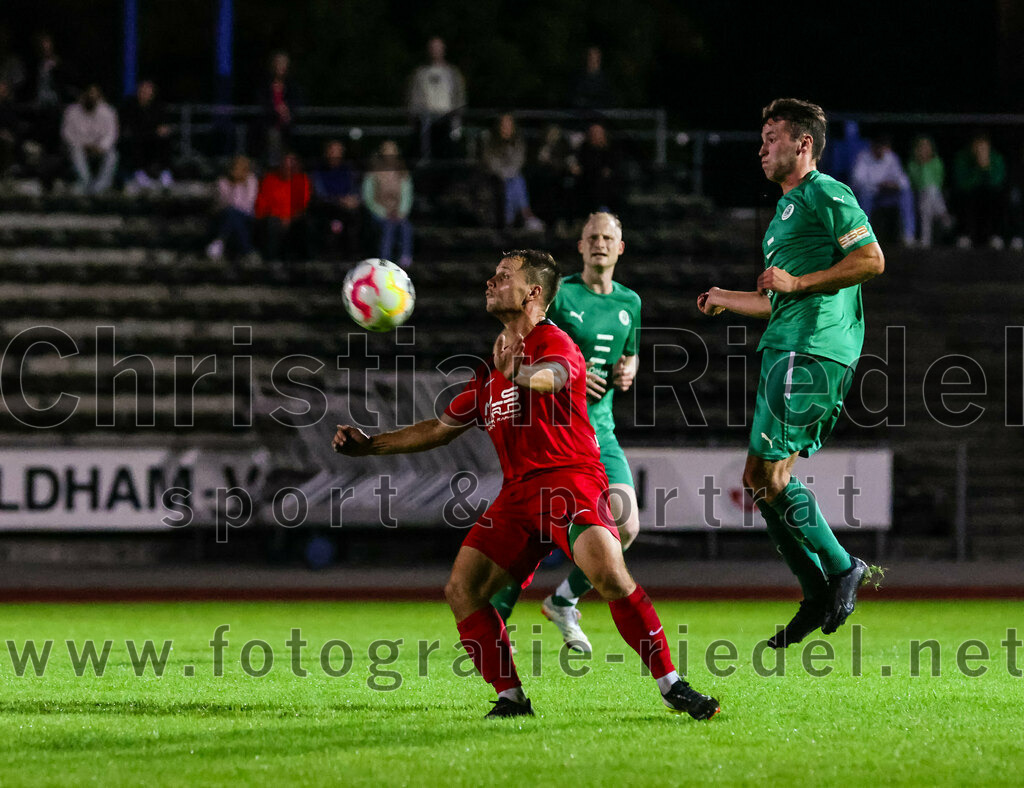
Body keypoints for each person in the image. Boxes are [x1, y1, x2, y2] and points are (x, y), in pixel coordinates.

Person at [332, 249, 719, 720]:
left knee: (608, 573)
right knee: (462, 589)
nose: (491, 282)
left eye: (503, 277)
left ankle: (672, 685)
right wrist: (369, 445)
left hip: (569, 481)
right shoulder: (488, 373)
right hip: (518, 494)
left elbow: (551, 380)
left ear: (534, 293)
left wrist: (517, 372)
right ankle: (511, 698)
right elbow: (437, 429)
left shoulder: (555, 343)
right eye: (493, 275)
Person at [697, 98, 884, 649]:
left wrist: (799, 285)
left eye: (772, 136)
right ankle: (815, 588)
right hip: (788, 344)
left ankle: (840, 567)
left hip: (813, 349)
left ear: (803, 144)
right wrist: (725, 298)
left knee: (767, 476)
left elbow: (871, 259)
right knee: (760, 478)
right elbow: (775, 297)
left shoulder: (826, 191)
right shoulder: (784, 212)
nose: (762, 147)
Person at [489, 212, 641, 654]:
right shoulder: (562, 293)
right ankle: (495, 620)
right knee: (535, 534)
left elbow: (629, 357)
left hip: (602, 431)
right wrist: (566, 373)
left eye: (607, 237)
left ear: (620, 247)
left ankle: (564, 600)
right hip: (557, 429)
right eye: (591, 236)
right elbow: (526, 336)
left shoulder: (630, 302)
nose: (599, 243)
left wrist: (629, 369)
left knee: (627, 525)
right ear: (579, 245)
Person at [481, 114, 544, 230]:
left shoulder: (518, 142)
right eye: (504, 124)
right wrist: (504, 173)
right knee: (514, 182)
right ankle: (526, 215)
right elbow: (491, 162)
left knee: (516, 181)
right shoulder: (490, 142)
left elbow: (519, 161)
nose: (506, 127)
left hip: (513, 175)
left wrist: (509, 173)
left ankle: (509, 219)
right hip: (497, 175)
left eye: (509, 124)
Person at [407, 36, 466, 161]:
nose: (436, 50)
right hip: (426, 121)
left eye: (438, 47)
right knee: (427, 157)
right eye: (433, 47)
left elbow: (460, 97)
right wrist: (415, 117)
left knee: (448, 156)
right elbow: (414, 98)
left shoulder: (453, 73)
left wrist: (458, 116)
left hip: (448, 120)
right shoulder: (420, 73)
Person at [850, 135, 915, 246]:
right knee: (866, 194)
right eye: (879, 148)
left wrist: (894, 184)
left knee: (906, 194)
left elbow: (904, 181)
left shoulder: (891, 157)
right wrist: (878, 184)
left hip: (886, 195)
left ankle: (908, 236)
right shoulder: (863, 157)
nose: (881, 151)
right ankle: (864, 238)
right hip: (869, 195)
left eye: (884, 148)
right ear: (873, 147)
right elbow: (857, 181)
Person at [952, 132, 1007, 250]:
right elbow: (962, 184)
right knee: (966, 196)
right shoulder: (962, 158)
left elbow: (997, 182)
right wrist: (977, 167)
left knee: (995, 196)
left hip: (990, 196)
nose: (980, 150)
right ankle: (965, 235)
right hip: (969, 195)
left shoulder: (996, 158)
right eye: (977, 147)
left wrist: (986, 168)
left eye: (983, 147)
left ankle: (994, 236)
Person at [362, 140, 413, 268]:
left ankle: (405, 257)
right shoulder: (373, 173)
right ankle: (385, 261)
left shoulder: (403, 173)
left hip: (398, 212)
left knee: (406, 226)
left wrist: (401, 212)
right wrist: (384, 212)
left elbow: (407, 196)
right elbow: (368, 198)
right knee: (388, 227)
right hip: (379, 211)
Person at [61, 84, 118, 194]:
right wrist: (83, 145)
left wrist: (101, 147)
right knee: (75, 152)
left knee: (112, 155)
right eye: (89, 95)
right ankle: (85, 183)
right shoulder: (71, 111)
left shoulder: (108, 112)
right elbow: (67, 134)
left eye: (94, 96)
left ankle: (99, 188)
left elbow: (111, 134)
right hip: (79, 146)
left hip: (99, 148)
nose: (91, 98)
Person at [254, 151, 311, 263]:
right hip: (274, 217)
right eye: (286, 163)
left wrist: (289, 218)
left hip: (294, 218)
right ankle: (272, 261)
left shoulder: (302, 180)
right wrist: (281, 217)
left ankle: (306, 260)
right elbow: (262, 204)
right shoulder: (269, 179)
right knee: (272, 223)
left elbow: (303, 204)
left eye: (292, 163)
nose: (288, 166)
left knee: (307, 222)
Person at [310, 139, 362, 261]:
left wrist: (353, 199)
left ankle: (352, 260)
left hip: (347, 210)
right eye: (332, 151)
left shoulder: (348, 169)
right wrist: (339, 200)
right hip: (327, 208)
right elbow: (320, 194)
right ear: (327, 152)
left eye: (338, 151)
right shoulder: (319, 170)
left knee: (355, 220)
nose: (335, 154)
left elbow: (355, 190)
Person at [120, 79, 173, 190]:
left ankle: (165, 173)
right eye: (143, 90)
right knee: (134, 141)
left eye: (148, 91)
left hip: (152, 136)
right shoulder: (130, 105)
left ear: (152, 93)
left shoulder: (158, 106)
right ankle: (139, 174)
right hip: (136, 136)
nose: (145, 93)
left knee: (165, 138)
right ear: (138, 91)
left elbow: (163, 124)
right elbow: (129, 126)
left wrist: (163, 129)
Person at [207, 155, 258, 261]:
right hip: (223, 215)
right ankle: (247, 251)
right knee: (231, 214)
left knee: (234, 215)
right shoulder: (222, 182)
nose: (236, 170)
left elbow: (248, 204)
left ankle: (220, 241)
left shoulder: (251, 181)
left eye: (240, 168)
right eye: (235, 167)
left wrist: (239, 184)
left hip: (246, 217)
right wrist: (234, 185)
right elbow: (222, 203)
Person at [907, 136, 951, 248]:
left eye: (927, 147)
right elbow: (916, 183)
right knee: (927, 195)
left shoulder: (937, 163)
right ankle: (943, 214)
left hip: (934, 196)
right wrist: (922, 165)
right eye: (921, 147)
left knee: (929, 196)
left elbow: (938, 182)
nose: (924, 149)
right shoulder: (912, 165)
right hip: (918, 195)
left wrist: (926, 165)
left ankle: (925, 240)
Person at [260, 51, 300, 166]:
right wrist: (276, 109)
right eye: (278, 63)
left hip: (289, 124)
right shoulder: (265, 84)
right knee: (273, 136)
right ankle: (274, 166)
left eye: (284, 64)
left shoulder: (292, 85)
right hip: (270, 124)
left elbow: (297, 102)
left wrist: (287, 110)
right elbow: (262, 102)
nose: (281, 67)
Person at [569, 46, 616, 111]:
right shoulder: (579, 78)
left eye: (594, 58)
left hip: (599, 117)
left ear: (598, 60)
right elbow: (574, 99)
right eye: (590, 57)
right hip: (580, 117)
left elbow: (609, 101)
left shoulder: (605, 80)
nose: (591, 60)